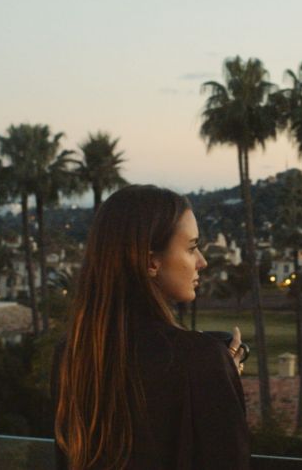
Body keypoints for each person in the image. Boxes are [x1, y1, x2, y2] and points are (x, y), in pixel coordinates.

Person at [52, 185, 250, 469]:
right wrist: (219, 373)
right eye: (192, 248)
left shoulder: (73, 354)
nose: (202, 262)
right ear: (150, 262)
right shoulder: (199, 359)